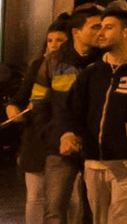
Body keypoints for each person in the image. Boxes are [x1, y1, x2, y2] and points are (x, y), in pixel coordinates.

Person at [54, 9, 127, 224]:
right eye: (99, 27)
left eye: (108, 27)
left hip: (126, 162)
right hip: (94, 162)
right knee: (99, 219)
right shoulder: (92, 72)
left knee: (123, 219)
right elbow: (71, 109)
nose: (101, 32)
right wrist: (68, 133)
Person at [7, 20, 74, 224]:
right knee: (35, 196)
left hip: (63, 136)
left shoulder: (74, 67)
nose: (53, 45)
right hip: (36, 136)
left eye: (60, 40)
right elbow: (18, 99)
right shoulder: (38, 65)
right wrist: (13, 109)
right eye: (50, 40)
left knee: (70, 197)